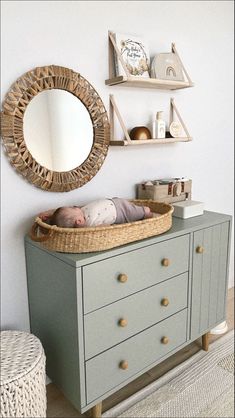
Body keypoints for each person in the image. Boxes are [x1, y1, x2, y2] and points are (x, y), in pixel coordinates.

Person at [39, 197, 153, 228]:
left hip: (117, 207)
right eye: (73, 208)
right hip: (119, 208)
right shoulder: (88, 225)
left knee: (137, 212)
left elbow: (61, 216)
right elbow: (104, 226)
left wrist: (50, 215)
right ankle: (146, 211)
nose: (75, 206)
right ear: (78, 221)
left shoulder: (82, 213)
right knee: (137, 212)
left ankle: (147, 212)